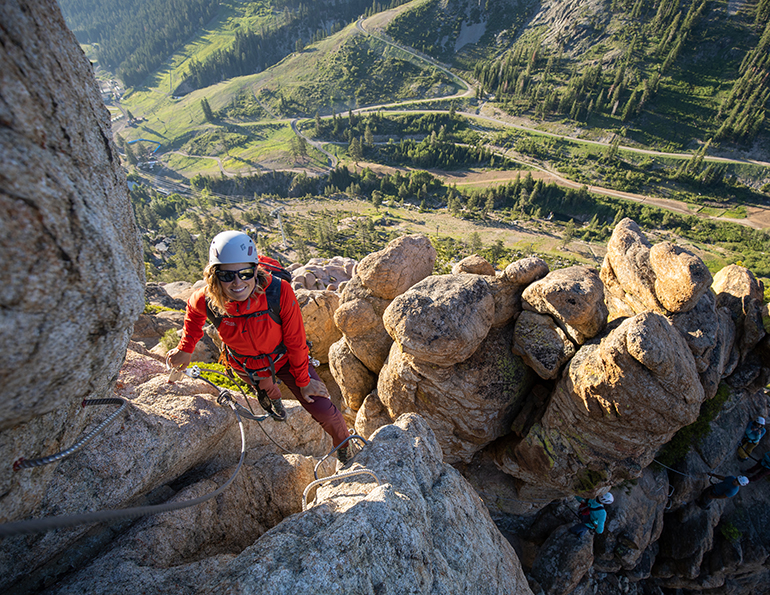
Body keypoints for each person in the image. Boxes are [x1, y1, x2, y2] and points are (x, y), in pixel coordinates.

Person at [167, 231, 351, 462]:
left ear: (255, 269)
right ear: (215, 275)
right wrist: (186, 348)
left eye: (245, 273)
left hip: (285, 359)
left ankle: (345, 447)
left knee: (325, 411)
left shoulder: (278, 291)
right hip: (246, 364)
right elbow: (193, 314)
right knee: (266, 391)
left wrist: (303, 381)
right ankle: (273, 402)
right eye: (226, 275)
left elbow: (295, 340)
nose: (237, 283)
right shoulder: (206, 299)